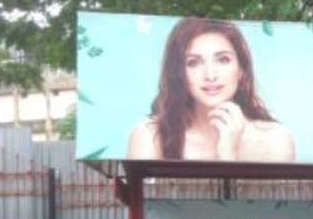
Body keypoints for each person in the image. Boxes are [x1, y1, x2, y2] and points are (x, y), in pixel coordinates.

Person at [127, 17, 296, 162]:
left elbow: (266, 201)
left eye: (223, 60)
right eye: (193, 62)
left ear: (241, 70)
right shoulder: (150, 134)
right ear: (179, 74)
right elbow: (143, 199)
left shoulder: (274, 138)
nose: (210, 75)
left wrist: (228, 155)